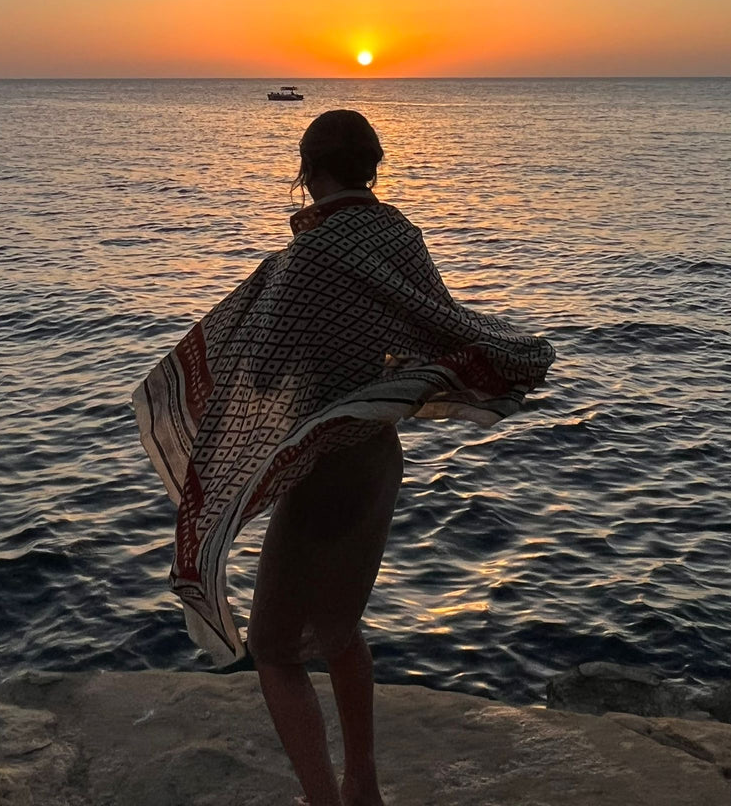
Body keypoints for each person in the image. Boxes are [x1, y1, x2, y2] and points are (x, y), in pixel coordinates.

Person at [132, 109, 555, 806]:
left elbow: (264, 370)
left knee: (271, 648)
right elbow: (435, 322)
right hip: (377, 458)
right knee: (337, 629)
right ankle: (363, 784)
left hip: (325, 465)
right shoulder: (401, 237)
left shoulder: (307, 259)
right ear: (372, 166)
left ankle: (325, 802)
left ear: (306, 172)